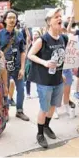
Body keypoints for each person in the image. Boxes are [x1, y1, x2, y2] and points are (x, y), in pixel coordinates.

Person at [28, 8, 67, 148]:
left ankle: (46, 126)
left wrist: (61, 73)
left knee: (53, 107)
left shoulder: (63, 38)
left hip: (57, 79)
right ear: (49, 22)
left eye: (60, 16)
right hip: (45, 81)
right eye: (56, 16)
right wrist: (44, 63)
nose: (59, 18)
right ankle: (40, 133)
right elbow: (30, 55)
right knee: (44, 108)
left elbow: (62, 58)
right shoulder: (42, 40)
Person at [0, 9, 29, 121]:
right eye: (9, 17)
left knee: (21, 90)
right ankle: (5, 113)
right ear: (5, 20)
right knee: (4, 90)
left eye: (14, 18)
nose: (12, 20)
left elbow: (23, 52)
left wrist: (22, 68)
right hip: (4, 69)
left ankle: (19, 111)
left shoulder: (19, 34)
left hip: (17, 68)